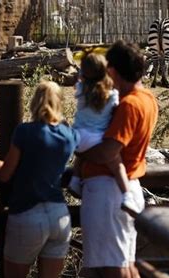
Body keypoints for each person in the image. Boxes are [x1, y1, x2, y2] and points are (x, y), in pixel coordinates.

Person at [78, 40, 158, 278]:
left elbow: (108, 151)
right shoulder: (147, 98)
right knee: (126, 265)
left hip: (107, 194)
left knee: (113, 270)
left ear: (113, 70)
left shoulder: (129, 105)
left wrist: (77, 148)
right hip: (125, 188)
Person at [0, 81, 79, 278]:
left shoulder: (25, 132)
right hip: (60, 215)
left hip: (28, 214)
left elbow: (6, 174)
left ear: (34, 102)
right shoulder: (69, 135)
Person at [67, 53, 136, 210]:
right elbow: (115, 110)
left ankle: (75, 180)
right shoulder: (112, 95)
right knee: (117, 164)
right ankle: (127, 195)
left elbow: (79, 81)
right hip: (96, 138)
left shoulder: (80, 90)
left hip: (77, 137)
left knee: (83, 153)